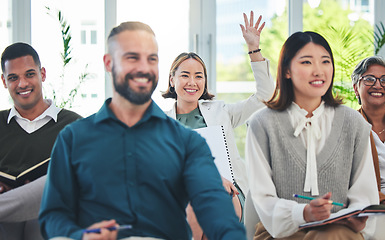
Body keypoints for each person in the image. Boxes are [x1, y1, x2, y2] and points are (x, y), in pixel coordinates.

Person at [39, 21, 246, 240]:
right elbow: (53, 217)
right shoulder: (73, 139)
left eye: (152, 59)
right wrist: (82, 236)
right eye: (132, 57)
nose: (143, 68)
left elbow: (218, 211)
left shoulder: (187, 142)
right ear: (109, 63)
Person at [245, 31, 379, 239]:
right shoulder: (261, 123)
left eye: (325, 61)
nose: (318, 71)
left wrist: (358, 215)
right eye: (307, 62)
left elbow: (365, 192)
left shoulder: (354, 123)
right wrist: (303, 213)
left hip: (340, 231)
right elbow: (263, 199)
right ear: (287, 70)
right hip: (280, 232)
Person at [162, 11, 274, 240]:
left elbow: (265, 95)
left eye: (199, 76)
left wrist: (254, 48)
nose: (192, 82)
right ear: (172, 80)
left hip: (229, 194)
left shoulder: (221, 112)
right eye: (185, 75)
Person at [0, 42, 82, 239]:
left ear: (42, 74)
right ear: (4, 81)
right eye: (13, 78)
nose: (22, 84)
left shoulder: (74, 125)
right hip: (5, 219)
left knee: (55, 181)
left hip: (49, 213)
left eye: (29, 74)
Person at [352, 56, 385, 204]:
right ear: (356, 88)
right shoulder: (350, 127)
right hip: (373, 206)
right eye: (369, 79)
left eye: (384, 79)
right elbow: (348, 181)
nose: (378, 85)